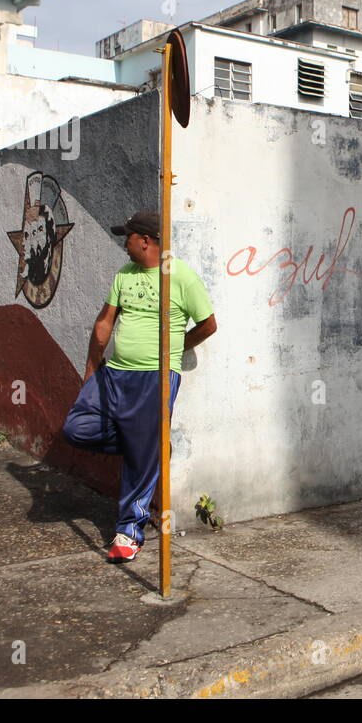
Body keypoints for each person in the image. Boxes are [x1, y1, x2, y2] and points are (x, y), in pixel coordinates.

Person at [62, 210, 217, 562]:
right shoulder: (124, 275)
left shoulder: (182, 278)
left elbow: (208, 324)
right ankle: (146, 445)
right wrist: (91, 369)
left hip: (155, 377)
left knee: (142, 455)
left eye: (127, 237)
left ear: (145, 241)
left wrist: (176, 348)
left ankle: (129, 531)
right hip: (114, 372)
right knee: (76, 428)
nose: (124, 242)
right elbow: (104, 322)